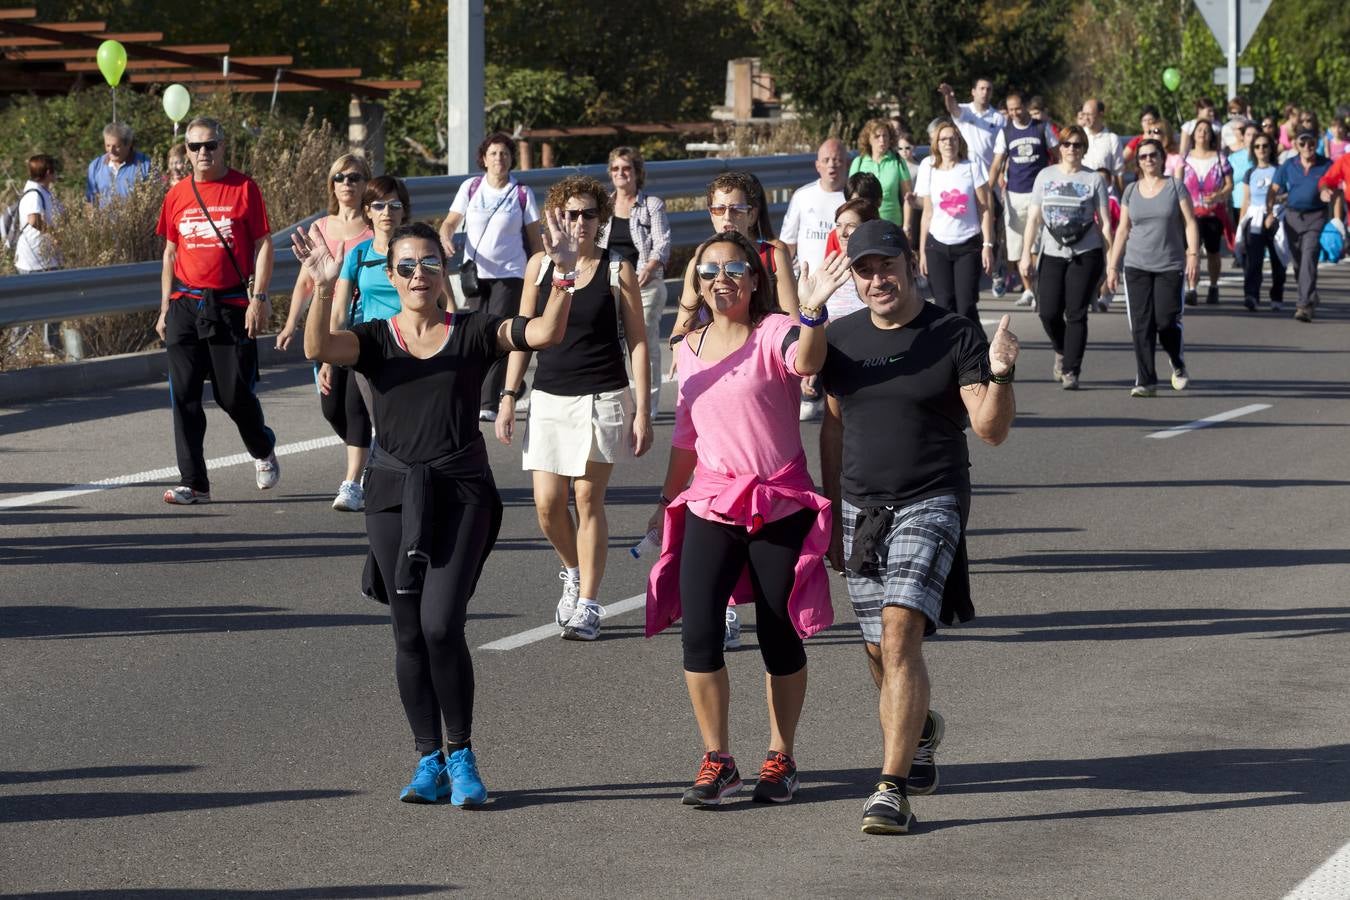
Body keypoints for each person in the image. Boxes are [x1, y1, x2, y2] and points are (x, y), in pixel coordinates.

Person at [294, 215, 578, 807]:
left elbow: (546, 333)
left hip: (461, 490)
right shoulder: (374, 339)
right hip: (393, 494)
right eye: (406, 265)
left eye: (429, 263)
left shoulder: (473, 330)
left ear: (443, 270)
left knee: (441, 624)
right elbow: (319, 346)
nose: (418, 274)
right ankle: (428, 759)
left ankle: (462, 754)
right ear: (390, 275)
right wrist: (323, 287)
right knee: (407, 632)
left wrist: (562, 275)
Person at [817, 218, 1018, 834]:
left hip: (931, 499)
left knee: (901, 634)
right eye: (865, 269)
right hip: (860, 508)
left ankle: (889, 789)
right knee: (877, 647)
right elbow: (832, 427)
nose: (878, 279)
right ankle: (921, 728)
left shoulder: (952, 333)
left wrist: (1003, 373)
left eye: (887, 265)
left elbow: (989, 429)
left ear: (911, 265)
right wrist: (829, 517)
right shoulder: (841, 340)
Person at [644, 230, 850, 807]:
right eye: (708, 271)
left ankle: (781, 755)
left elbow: (809, 361)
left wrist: (810, 311)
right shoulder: (687, 345)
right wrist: (666, 499)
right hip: (711, 500)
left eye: (733, 269)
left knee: (776, 631)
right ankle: (718, 757)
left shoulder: (776, 331)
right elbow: (687, 432)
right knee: (701, 631)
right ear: (696, 282)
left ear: (754, 278)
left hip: (777, 500)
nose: (720, 280)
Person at [496, 175, 652, 641]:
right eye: (571, 213)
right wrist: (508, 395)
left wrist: (642, 409)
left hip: (602, 394)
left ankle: (588, 604)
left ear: (601, 220)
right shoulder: (539, 267)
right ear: (555, 217)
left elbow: (639, 341)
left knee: (587, 499)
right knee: (547, 506)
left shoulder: (615, 269)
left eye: (588, 214)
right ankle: (574, 570)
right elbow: (523, 333)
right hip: (548, 397)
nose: (579, 222)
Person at [154, 116, 278, 505]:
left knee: (231, 394)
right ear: (186, 151)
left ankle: (262, 447)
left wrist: (259, 298)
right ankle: (195, 483)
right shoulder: (176, 194)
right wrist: (163, 308)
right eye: (195, 147)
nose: (203, 153)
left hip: (228, 305)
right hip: (185, 305)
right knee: (185, 396)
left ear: (224, 147)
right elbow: (170, 252)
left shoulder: (244, 188)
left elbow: (263, 244)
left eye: (210, 145)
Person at [437, 132, 544, 421]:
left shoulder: (521, 193)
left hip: (510, 274)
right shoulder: (471, 188)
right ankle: (510, 383)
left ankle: (487, 402)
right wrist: (445, 237)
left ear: (511, 160)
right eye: (494, 153)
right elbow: (450, 222)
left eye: (505, 153)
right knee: (476, 334)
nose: (500, 158)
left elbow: (535, 240)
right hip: (475, 274)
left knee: (497, 333)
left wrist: (540, 276)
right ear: (484, 159)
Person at [318, 175, 409, 511]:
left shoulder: (413, 249)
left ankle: (359, 479)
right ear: (368, 211)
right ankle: (355, 482)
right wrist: (328, 357)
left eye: (395, 205)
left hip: (406, 342)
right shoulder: (357, 254)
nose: (387, 212)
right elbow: (339, 308)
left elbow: (440, 299)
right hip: (366, 342)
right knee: (345, 408)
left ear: (403, 211)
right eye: (380, 205)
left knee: (393, 417)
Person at [1105, 138, 1201, 397]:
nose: (1149, 160)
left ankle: (1177, 362)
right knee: (1141, 324)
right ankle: (1146, 380)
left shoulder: (1175, 187)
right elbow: (1122, 230)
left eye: (1153, 155)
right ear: (1138, 162)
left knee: (1166, 321)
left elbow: (1190, 223)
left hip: (1169, 264)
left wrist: (1193, 254)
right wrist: (1112, 267)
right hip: (1136, 265)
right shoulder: (1131, 191)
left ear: (1161, 158)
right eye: (1144, 156)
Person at [1019, 125, 1112, 390]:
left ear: (1084, 149)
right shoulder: (1045, 176)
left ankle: (1071, 369)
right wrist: (1026, 254)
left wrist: (1109, 262)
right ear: (1059, 147)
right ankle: (1061, 349)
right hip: (1051, 251)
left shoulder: (1093, 179)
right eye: (1067, 144)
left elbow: (1105, 223)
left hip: (1086, 252)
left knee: (1076, 313)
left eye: (1077, 144)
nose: (1072, 149)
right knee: (1047, 312)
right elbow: (1034, 218)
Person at [599, 145, 671, 415]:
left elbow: (663, 242)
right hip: (610, 283)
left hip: (645, 284)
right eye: (616, 169)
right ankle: (617, 397)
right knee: (611, 344)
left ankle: (648, 404)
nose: (621, 173)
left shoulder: (651, 205)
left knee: (644, 343)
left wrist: (650, 266)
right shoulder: (604, 205)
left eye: (626, 168)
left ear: (637, 172)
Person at [277, 154, 374, 351]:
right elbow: (306, 283)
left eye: (354, 177)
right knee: (326, 378)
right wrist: (290, 325)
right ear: (333, 185)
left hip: (365, 313)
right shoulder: (319, 227)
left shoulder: (375, 227)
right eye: (339, 177)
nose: (346, 182)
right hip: (325, 310)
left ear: (366, 184)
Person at [916, 121, 993, 331]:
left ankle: (977, 353)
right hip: (937, 245)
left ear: (959, 141)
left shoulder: (971, 167)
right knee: (943, 305)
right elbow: (927, 213)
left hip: (968, 244)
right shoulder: (928, 167)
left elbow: (984, 208)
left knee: (966, 305)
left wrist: (988, 245)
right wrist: (922, 251)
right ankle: (949, 356)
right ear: (936, 143)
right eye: (943, 139)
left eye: (953, 138)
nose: (948, 143)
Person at [989, 92, 1059, 307]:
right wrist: (986, 191)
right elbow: (997, 163)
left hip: (1039, 194)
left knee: (1037, 243)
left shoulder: (1041, 127)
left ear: (1026, 107)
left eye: (1017, 108)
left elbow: (1057, 154)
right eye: (1010, 110)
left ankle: (1039, 287)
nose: (1014, 113)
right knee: (1018, 245)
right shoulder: (1006, 132)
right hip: (1014, 195)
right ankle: (1028, 289)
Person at [1269, 130, 1334, 322]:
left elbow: (1331, 187)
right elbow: (1273, 189)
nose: (1307, 147)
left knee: (1309, 256)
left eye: (1311, 142)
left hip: (1316, 216)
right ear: (1296, 145)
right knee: (1298, 262)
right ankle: (1310, 294)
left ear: (1316, 144)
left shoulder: (1325, 164)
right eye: (1303, 143)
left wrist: (1327, 197)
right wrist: (1268, 212)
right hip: (1292, 217)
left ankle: (1303, 305)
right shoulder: (1289, 165)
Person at [1175, 118, 1233, 306]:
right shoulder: (1184, 158)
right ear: (1193, 135)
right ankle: (1192, 287)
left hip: (1212, 213)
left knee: (1213, 252)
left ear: (1211, 136)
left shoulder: (1219, 158)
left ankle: (1213, 286)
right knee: (1191, 250)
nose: (1202, 133)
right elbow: (1177, 184)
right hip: (1190, 213)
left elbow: (1229, 185)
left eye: (1206, 130)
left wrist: (1219, 195)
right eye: (1199, 130)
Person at [782, 139, 849, 275]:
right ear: (817, 166)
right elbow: (788, 244)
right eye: (826, 160)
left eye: (837, 160)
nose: (831, 165)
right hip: (808, 282)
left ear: (847, 164)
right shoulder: (802, 196)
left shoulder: (854, 199)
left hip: (843, 284)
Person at [1237, 134, 1288, 311]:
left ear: (1271, 148)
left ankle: (1277, 297)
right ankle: (1251, 296)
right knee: (1253, 260)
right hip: (1255, 219)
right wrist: (1241, 225)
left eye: (1265, 145)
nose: (1261, 149)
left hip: (1276, 218)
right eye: (1257, 146)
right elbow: (1246, 200)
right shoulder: (1250, 173)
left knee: (1278, 260)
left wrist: (1275, 205)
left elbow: (1289, 193)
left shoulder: (1280, 170)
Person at [821, 197, 880, 319]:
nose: (842, 233)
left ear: (868, 227)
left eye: (851, 225)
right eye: (838, 225)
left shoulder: (882, 270)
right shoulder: (831, 269)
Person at [849, 119, 911, 228]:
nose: (882, 140)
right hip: (863, 224)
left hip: (892, 224)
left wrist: (907, 226)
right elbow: (850, 198)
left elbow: (908, 198)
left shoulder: (898, 161)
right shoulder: (858, 162)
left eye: (885, 136)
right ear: (869, 139)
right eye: (877, 136)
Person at [939, 78, 1005, 169]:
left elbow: (1003, 146)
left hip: (989, 171)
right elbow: (952, 108)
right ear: (973, 92)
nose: (985, 92)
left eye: (988, 89)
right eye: (982, 88)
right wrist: (948, 96)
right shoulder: (964, 111)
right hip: (965, 168)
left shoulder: (999, 117)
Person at [14, 154, 62, 276]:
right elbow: (33, 220)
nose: (56, 173)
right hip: (34, 263)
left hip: (45, 260)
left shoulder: (42, 191)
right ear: (47, 172)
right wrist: (54, 234)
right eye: (54, 170)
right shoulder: (34, 194)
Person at [85, 122, 153, 206]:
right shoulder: (95, 166)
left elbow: (154, 198)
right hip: (104, 218)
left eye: (116, 146)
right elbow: (90, 202)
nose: (111, 150)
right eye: (108, 145)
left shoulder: (145, 165)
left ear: (128, 144)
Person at [1080, 99, 1123, 192]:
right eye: (1084, 114)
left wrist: (1124, 200)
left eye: (1089, 114)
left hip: (1104, 194)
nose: (1086, 118)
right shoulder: (1078, 136)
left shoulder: (1112, 139)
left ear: (1101, 114)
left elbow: (1118, 173)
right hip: (1081, 192)